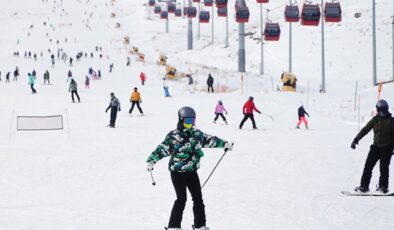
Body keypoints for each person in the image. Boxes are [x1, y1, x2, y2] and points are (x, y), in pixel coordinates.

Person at [146, 106, 234, 230]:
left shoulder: (197, 134)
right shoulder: (174, 136)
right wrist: (151, 160)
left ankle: (200, 225)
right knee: (181, 199)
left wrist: (224, 144)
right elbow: (162, 149)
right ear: (181, 120)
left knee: (198, 198)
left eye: (192, 121)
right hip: (177, 172)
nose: (190, 123)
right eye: (188, 121)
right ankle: (174, 226)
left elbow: (210, 140)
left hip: (192, 172)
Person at [351, 99, 394, 194]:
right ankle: (364, 186)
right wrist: (356, 139)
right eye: (382, 110)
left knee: (384, 168)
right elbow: (365, 130)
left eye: (385, 109)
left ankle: (383, 187)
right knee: (368, 166)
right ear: (378, 110)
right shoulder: (375, 120)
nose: (384, 112)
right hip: (375, 147)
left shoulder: (391, 121)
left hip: (387, 148)